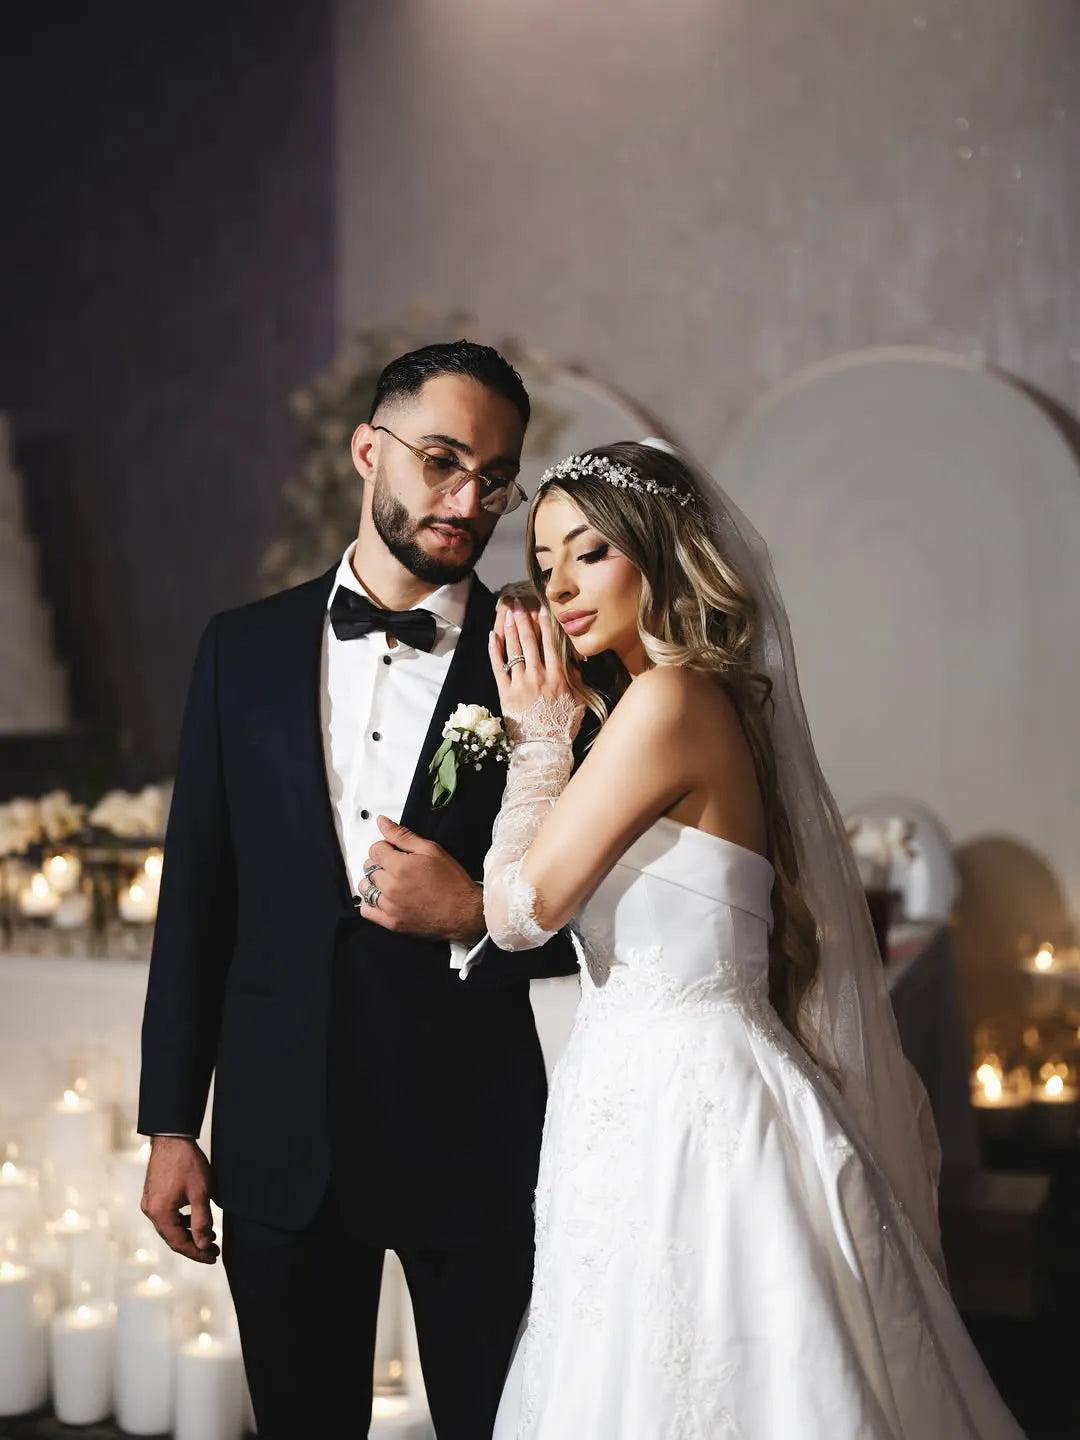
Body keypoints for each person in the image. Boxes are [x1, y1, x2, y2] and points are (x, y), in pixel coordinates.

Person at [479, 441, 1025, 1438]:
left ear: (656, 552)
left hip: (686, 1113)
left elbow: (521, 914)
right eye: (543, 557)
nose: (556, 584)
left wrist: (538, 736)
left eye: (588, 552)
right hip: (640, 1091)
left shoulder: (669, 699)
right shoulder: (679, 699)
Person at [136, 341, 579, 1440]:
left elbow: (606, 915)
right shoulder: (238, 650)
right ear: (368, 451)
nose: (467, 500)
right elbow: (198, 900)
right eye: (441, 462)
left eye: (494, 477)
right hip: (281, 1138)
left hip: (473, 1138)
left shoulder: (544, 661)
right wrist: (169, 1125)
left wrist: (475, 913)